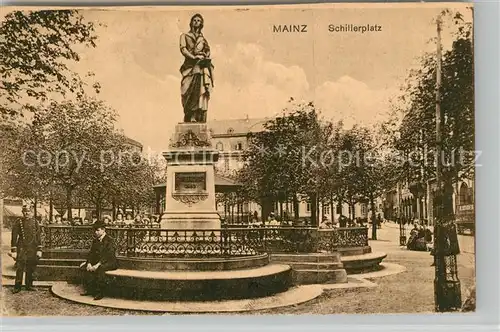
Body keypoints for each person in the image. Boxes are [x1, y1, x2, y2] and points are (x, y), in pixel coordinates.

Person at [179, 13, 214, 123]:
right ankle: (188, 114)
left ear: (201, 24)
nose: (196, 22)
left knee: (198, 91)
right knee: (186, 90)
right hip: (189, 67)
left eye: (199, 20)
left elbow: (208, 50)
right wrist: (194, 57)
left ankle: (195, 115)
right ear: (191, 22)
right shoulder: (184, 36)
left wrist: (205, 56)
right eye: (194, 20)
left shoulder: (202, 39)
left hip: (200, 66)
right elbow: (183, 49)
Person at [79, 220, 118, 300]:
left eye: (98, 230)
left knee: (101, 269)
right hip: (98, 262)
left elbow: (108, 255)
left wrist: (98, 264)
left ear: (103, 230)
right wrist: (89, 263)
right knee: (85, 266)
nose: (95, 232)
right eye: (95, 230)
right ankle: (90, 289)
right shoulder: (95, 240)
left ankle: (100, 292)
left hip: (109, 262)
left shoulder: (110, 240)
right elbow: (91, 253)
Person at [10, 205, 42, 293]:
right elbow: (14, 236)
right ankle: (17, 287)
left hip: (33, 247)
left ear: (32, 212)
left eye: (29, 211)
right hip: (21, 247)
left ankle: (29, 285)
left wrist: (39, 249)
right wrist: (14, 250)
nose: (27, 213)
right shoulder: (18, 222)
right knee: (20, 267)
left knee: (31, 267)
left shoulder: (35, 222)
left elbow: (38, 237)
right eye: (25, 211)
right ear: (22, 212)